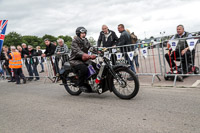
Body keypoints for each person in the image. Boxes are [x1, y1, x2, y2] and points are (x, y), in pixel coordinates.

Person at [69, 27, 96, 91]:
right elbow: (78, 51)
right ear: (78, 34)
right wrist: (88, 56)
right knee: (84, 69)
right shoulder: (74, 41)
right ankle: (81, 84)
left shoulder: (86, 40)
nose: (84, 34)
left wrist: (101, 50)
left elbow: (91, 47)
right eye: (82, 33)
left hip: (84, 59)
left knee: (95, 66)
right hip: (75, 60)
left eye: (84, 33)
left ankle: (92, 81)